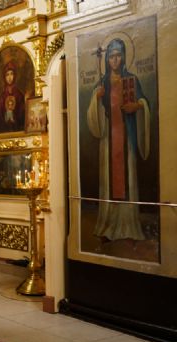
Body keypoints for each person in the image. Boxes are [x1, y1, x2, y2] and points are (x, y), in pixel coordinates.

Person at [87, 38, 150, 242]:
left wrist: (138, 106)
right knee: (109, 180)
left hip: (126, 137)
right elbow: (94, 115)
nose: (115, 60)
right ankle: (109, 223)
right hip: (108, 139)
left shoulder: (131, 79)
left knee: (127, 176)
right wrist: (97, 98)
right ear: (107, 59)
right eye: (111, 56)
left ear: (123, 58)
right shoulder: (102, 83)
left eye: (118, 56)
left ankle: (128, 225)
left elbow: (143, 101)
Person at [0, 61, 25, 133]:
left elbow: (22, 117)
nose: (9, 77)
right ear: (4, 77)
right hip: (4, 132)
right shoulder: (1, 97)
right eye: (7, 75)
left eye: (11, 74)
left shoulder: (19, 95)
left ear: (15, 75)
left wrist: (26, 104)